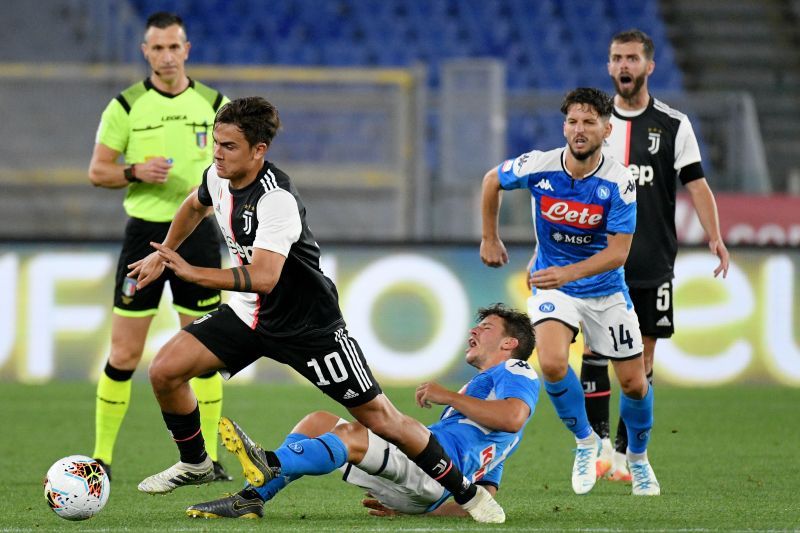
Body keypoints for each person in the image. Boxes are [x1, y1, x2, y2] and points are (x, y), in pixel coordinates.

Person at [128, 96, 505, 523]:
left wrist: (194, 272)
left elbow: (266, 275)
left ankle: (469, 494)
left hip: (310, 326)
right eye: (216, 142)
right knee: (165, 370)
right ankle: (196, 464)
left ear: (258, 151)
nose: (218, 153)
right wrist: (165, 252)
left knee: (383, 420)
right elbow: (195, 205)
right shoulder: (216, 176)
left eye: (229, 146)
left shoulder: (277, 200)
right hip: (251, 314)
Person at [184, 303, 539, 520]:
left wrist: (447, 395)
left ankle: (272, 463)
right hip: (433, 487)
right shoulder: (489, 428)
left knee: (353, 435)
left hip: (432, 469)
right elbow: (485, 494)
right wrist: (420, 511)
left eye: (487, 327)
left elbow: (512, 416)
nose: (474, 329)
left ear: (510, 344)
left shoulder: (514, 371)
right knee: (317, 422)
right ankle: (252, 499)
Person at [481, 87, 660, 496]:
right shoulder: (540, 166)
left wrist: (567, 272)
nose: (579, 130)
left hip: (604, 290)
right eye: (573, 122)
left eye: (589, 122)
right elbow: (492, 180)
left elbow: (618, 253)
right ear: (564, 126)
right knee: (554, 363)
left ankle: (639, 458)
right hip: (553, 284)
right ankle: (585, 443)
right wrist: (489, 238)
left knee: (634, 383)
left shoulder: (620, 180)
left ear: (606, 129)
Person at [579, 29, 730, 482]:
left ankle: (626, 453)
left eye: (632, 58)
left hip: (652, 260)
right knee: (593, 350)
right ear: (608, 66)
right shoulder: (595, 124)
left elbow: (697, 184)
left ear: (649, 66)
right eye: (616, 58)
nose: (623, 66)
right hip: (600, 257)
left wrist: (715, 236)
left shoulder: (673, 125)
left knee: (641, 361)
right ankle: (599, 445)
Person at [87, 12, 231, 482]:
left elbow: (238, 167)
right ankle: (101, 457)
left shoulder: (215, 104)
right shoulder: (125, 107)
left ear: (186, 49)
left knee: (205, 352)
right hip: (143, 234)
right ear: (145, 52)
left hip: (201, 236)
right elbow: (98, 171)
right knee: (125, 353)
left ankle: (207, 459)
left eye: (174, 47)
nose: (166, 56)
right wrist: (134, 172)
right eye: (157, 48)